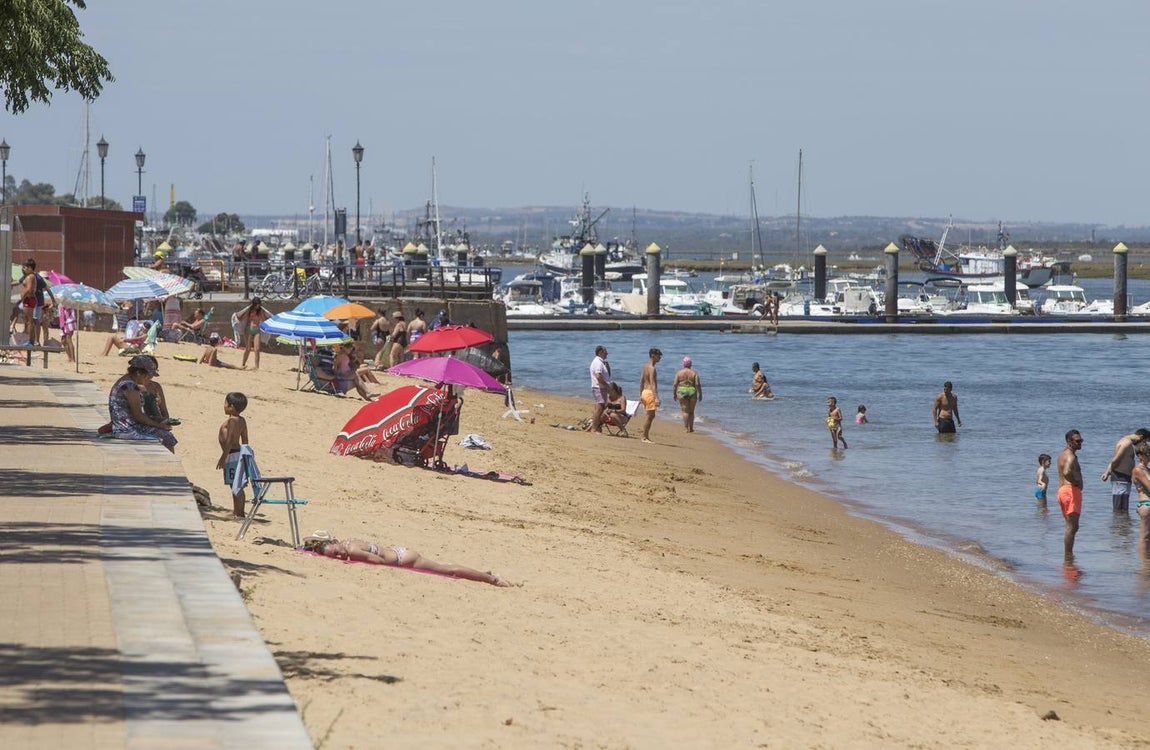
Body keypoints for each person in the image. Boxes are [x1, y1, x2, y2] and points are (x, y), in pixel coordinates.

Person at [301, 532, 513, 586]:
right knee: (446, 567)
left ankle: (492, 579)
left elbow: (380, 563)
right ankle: (483, 574)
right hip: (400, 551)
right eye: (335, 557)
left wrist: (350, 562)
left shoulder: (353, 552)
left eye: (336, 552)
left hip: (405, 560)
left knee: (449, 571)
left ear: (334, 544)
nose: (339, 556)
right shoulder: (347, 542)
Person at [108, 356, 177, 452]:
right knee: (166, 437)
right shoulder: (130, 386)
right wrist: (159, 425)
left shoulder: (124, 381)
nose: (148, 379)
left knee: (164, 433)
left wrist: (159, 420)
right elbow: (138, 415)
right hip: (127, 430)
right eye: (147, 376)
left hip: (124, 427)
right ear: (138, 373)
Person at [1100, 428, 1150, 512]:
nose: (1144, 444)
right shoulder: (1126, 443)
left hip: (1124, 478)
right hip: (1120, 478)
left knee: (1123, 508)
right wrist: (1107, 472)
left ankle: (1124, 524)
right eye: (1145, 441)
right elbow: (1115, 460)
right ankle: (1119, 524)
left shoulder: (1128, 442)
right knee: (1119, 508)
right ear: (1141, 437)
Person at [217, 392, 250, 518]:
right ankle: (237, 511)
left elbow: (230, 440)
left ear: (231, 406)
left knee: (235, 485)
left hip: (231, 455)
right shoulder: (242, 420)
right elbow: (245, 440)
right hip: (239, 454)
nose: (224, 406)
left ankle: (239, 512)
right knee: (237, 484)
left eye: (225, 403)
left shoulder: (231, 421)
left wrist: (223, 458)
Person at [1057, 429, 1085, 560]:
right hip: (1070, 491)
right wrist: (1076, 482)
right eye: (1077, 441)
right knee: (1072, 526)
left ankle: (1068, 554)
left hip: (1064, 490)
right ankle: (1068, 556)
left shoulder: (1063, 454)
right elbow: (1067, 471)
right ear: (1069, 442)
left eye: (1081, 440)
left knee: (1072, 526)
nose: (1080, 443)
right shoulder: (1070, 456)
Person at [237, 297, 270, 369]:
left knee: (257, 349)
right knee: (248, 348)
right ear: (254, 304)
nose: (258, 306)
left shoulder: (261, 311)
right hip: (248, 330)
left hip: (257, 330)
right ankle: (243, 364)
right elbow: (240, 317)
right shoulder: (249, 310)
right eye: (256, 304)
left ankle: (257, 366)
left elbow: (265, 318)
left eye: (259, 304)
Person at [672, 356, 702, 433]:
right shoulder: (694, 373)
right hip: (692, 391)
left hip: (682, 391)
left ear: (683, 364)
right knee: (691, 412)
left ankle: (685, 428)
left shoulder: (679, 373)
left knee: (685, 411)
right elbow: (698, 384)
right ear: (690, 364)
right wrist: (700, 394)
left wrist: (674, 394)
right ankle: (691, 428)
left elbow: (675, 384)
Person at [639, 347, 662, 443]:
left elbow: (641, 381)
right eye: (658, 356)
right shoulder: (652, 368)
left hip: (645, 392)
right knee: (650, 416)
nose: (659, 358)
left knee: (650, 416)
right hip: (649, 393)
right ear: (653, 356)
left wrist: (640, 394)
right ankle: (644, 436)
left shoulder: (645, 367)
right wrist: (656, 397)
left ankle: (645, 436)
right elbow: (652, 383)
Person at [1132, 443, 1150, 557]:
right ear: (1140, 455)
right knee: (1145, 537)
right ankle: (1144, 564)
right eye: (1148, 454)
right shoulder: (1138, 470)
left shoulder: (1147, 469)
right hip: (1145, 504)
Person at [588, 345, 611, 433]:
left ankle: (595, 426)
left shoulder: (601, 362)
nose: (607, 353)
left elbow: (604, 375)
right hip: (599, 387)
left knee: (600, 407)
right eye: (605, 352)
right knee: (599, 408)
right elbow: (598, 376)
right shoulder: (598, 362)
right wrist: (607, 386)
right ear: (600, 352)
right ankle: (594, 428)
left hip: (600, 387)